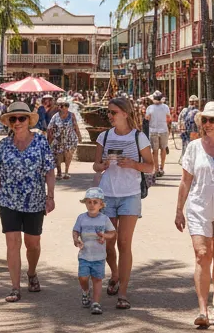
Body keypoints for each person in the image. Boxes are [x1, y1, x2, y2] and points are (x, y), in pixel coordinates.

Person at [0, 101, 56, 301]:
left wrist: (50, 197)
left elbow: (50, 171)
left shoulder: (41, 142)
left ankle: (31, 273)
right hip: (8, 201)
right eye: (13, 119)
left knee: (32, 243)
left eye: (21, 118)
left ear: (28, 120)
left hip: (35, 200)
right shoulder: (4, 145)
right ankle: (15, 287)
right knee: (12, 242)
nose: (17, 122)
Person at [174, 101, 214, 328]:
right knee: (202, 254)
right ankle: (202, 309)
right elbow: (185, 181)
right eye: (204, 120)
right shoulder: (194, 147)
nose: (206, 124)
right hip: (198, 207)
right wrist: (179, 210)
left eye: (212, 120)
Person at [91, 96, 155, 310]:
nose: (109, 116)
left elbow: (150, 167)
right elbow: (96, 166)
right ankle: (115, 274)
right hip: (107, 194)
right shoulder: (104, 136)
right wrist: (104, 164)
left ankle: (124, 292)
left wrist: (133, 164)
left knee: (124, 243)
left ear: (125, 114)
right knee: (109, 242)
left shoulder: (139, 138)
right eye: (108, 112)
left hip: (130, 195)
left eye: (113, 112)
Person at [73, 186, 116, 315]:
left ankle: (96, 303)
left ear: (101, 204)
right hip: (84, 254)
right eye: (89, 202)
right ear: (85, 203)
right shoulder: (81, 218)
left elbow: (112, 233)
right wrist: (76, 239)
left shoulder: (104, 219)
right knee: (83, 277)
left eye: (95, 202)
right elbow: (76, 231)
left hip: (99, 256)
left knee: (97, 279)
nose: (92, 205)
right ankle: (85, 291)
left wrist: (105, 236)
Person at [48, 97, 80, 180]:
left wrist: (79, 136)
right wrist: (49, 139)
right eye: (62, 106)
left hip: (70, 139)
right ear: (59, 107)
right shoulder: (55, 116)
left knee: (68, 155)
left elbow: (75, 126)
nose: (65, 107)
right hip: (59, 139)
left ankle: (66, 172)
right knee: (58, 156)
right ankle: (59, 172)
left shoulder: (72, 115)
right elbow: (49, 128)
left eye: (67, 105)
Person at [145, 91, 171, 178]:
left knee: (154, 151)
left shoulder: (150, 108)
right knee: (163, 149)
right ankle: (161, 168)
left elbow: (147, 118)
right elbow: (168, 117)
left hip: (153, 131)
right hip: (163, 130)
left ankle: (156, 169)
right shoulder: (165, 107)